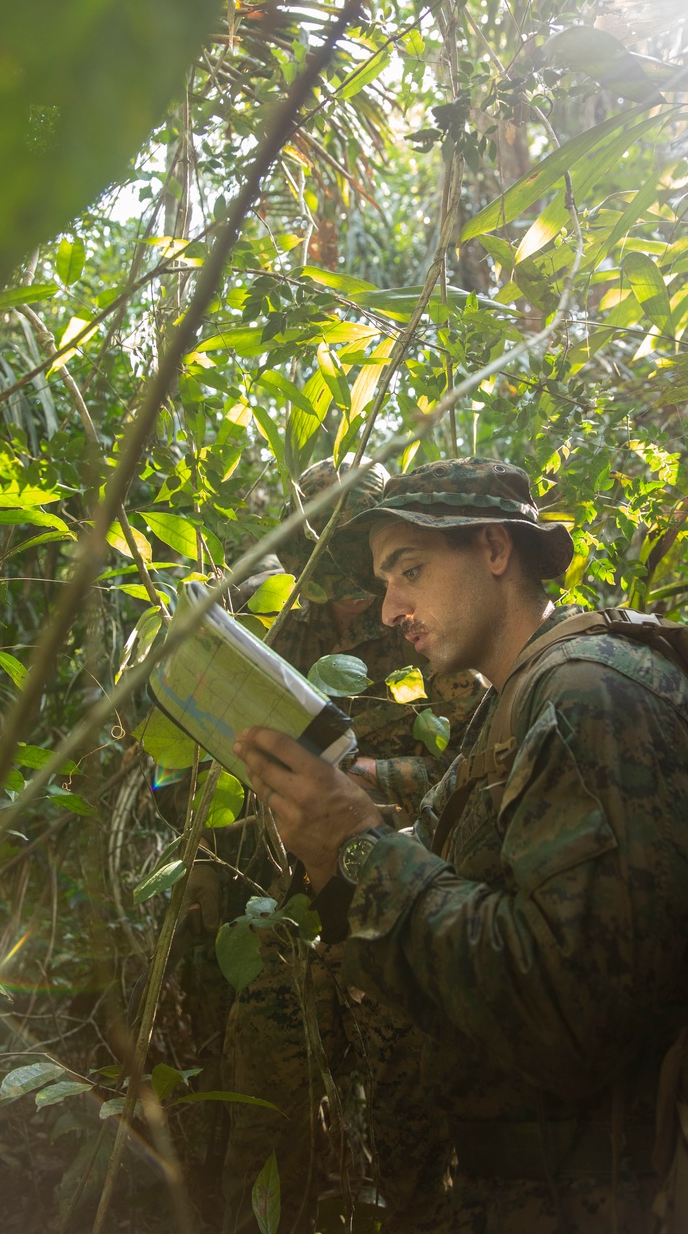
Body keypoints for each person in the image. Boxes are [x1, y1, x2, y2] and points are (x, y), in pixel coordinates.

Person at [234, 457, 688, 1234]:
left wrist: (360, 847)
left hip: (602, 1198)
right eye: (386, 580)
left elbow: (573, 1015)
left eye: (411, 570)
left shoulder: (590, 696)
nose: (392, 609)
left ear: (495, 550)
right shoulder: (519, 704)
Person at [218, 460, 484, 1234]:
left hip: (395, 899)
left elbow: (472, 767)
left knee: (410, 1147)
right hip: (290, 907)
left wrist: (366, 776)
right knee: (267, 1116)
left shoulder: (425, 621)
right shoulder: (287, 628)